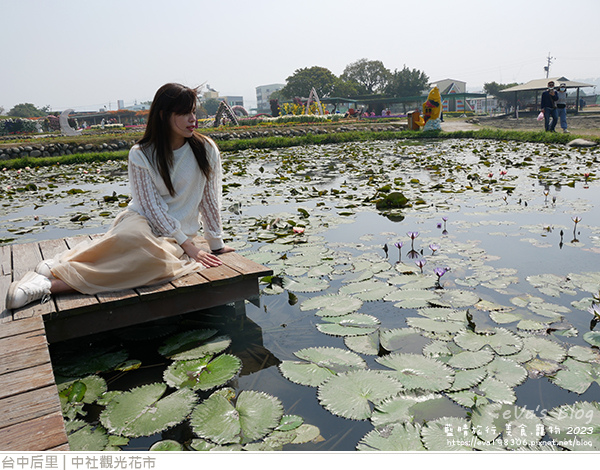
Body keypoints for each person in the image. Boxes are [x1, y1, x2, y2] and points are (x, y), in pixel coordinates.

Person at [6, 83, 234, 310]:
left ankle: (50, 283)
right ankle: (56, 270)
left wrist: (216, 244)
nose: (192, 118)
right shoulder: (141, 154)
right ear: (164, 115)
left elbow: (210, 199)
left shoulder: (206, 149)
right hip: (144, 219)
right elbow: (151, 208)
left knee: (156, 261)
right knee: (133, 240)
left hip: (179, 235)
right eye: (184, 113)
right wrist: (191, 248)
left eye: (193, 111)